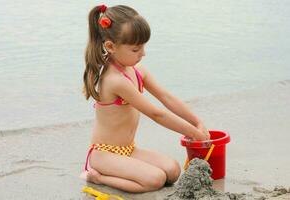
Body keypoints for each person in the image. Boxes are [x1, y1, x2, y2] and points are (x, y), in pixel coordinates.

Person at [81, 4, 210, 193]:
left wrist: (197, 122)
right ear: (110, 46)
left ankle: (124, 172)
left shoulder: (137, 71)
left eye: (143, 46)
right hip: (104, 155)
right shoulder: (115, 80)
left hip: (128, 150)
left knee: (173, 171)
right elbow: (156, 114)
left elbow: (166, 97)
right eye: (135, 49)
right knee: (155, 180)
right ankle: (98, 177)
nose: (143, 53)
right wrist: (193, 133)